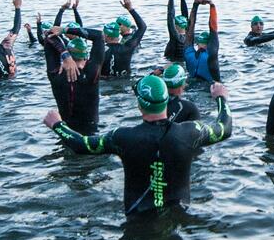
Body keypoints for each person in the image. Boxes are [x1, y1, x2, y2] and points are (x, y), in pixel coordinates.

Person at [45, 75, 232, 215]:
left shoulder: (123, 137)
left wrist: (57, 124)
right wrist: (221, 98)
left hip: (137, 219)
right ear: (167, 101)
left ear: (140, 106)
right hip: (179, 213)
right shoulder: (190, 131)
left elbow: (82, 145)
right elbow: (225, 128)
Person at [42, 21, 105, 134]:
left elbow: (48, 36)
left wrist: (65, 55)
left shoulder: (56, 74)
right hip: (91, 131)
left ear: (70, 54)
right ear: (86, 55)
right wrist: (65, 30)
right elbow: (99, 36)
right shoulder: (92, 72)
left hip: (66, 131)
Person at [98, 0, 146, 78]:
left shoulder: (100, 51)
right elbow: (143, 27)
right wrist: (130, 9)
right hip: (126, 83)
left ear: (106, 35)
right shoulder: (127, 47)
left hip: (107, 85)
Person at [183, 0, 224, 85]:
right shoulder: (211, 56)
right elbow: (213, 28)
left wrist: (195, 5)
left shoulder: (189, 54)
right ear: (209, 44)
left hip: (191, 87)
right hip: (210, 89)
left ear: (197, 43)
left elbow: (190, 29)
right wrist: (212, 6)